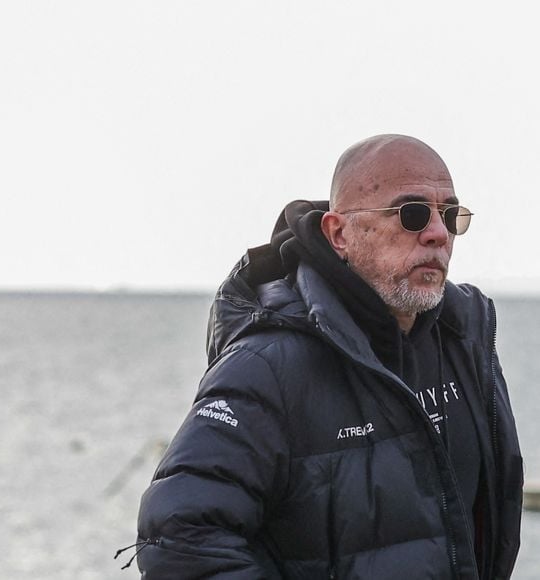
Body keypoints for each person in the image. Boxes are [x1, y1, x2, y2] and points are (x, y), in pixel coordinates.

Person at [132, 135, 523, 579]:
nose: (437, 232)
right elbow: (178, 536)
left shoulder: (464, 340)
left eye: (449, 215)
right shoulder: (266, 365)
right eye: (411, 214)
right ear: (339, 233)